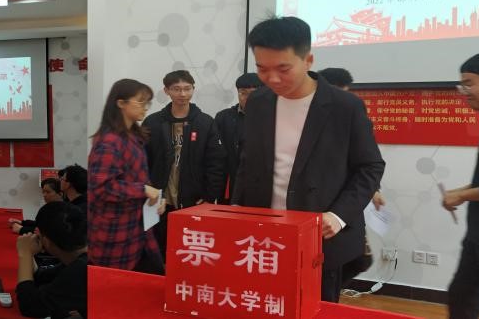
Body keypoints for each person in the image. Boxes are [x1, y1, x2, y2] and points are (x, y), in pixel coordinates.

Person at [232, 16, 385, 302]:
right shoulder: (259, 102)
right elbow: (248, 160)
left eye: (283, 69)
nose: (272, 79)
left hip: (320, 238)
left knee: (315, 308)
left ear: (308, 60)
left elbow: (370, 166)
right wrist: (238, 208)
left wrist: (338, 216)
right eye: (262, 69)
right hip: (263, 234)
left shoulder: (344, 106)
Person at [142, 70, 226, 257]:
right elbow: (142, 161)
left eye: (187, 89)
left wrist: (209, 196)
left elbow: (216, 163)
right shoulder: (153, 122)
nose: (182, 94)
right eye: (176, 89)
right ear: (166, 91)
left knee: (189, 250)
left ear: (193, 89)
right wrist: (147, 191)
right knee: (157, 250)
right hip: (158, 200)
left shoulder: (205, 122)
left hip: (193, 200)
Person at [318, 66, 388, 286]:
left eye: (346, 94)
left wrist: (374, 190)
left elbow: (366, 162)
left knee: (356, 260)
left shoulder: (351, 115)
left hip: (343, 208)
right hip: (319, 208)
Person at [89, 78, 165, 274]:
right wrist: (143, 190)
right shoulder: (109, 141)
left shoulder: (133, 137)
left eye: (147, 102)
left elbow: (137, 177)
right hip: (115, 234)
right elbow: (102, 188)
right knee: (116, 284)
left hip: (137, 227)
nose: (145, 107)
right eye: (140, 101)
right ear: (121, 103)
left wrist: (155, 198)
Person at [443, 52, 479, 318]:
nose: (464, 92)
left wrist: (461, 196)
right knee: (462, 297)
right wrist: (459, 192)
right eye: (462, 85)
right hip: (478, 236)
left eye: (469, 84)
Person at [16, 202, 87, 319]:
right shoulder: (78, 258)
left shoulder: (82, 269)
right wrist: (30, 253)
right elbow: (41, 278)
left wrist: (25, 254)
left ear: (46, 241)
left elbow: (30, 306)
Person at [214, 72, 264, 204]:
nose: (248, 98)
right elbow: (215, 154)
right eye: (243, 93)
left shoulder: (272, 118)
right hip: (231, 182)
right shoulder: (223, 117)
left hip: (261, 184)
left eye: (253, 93)